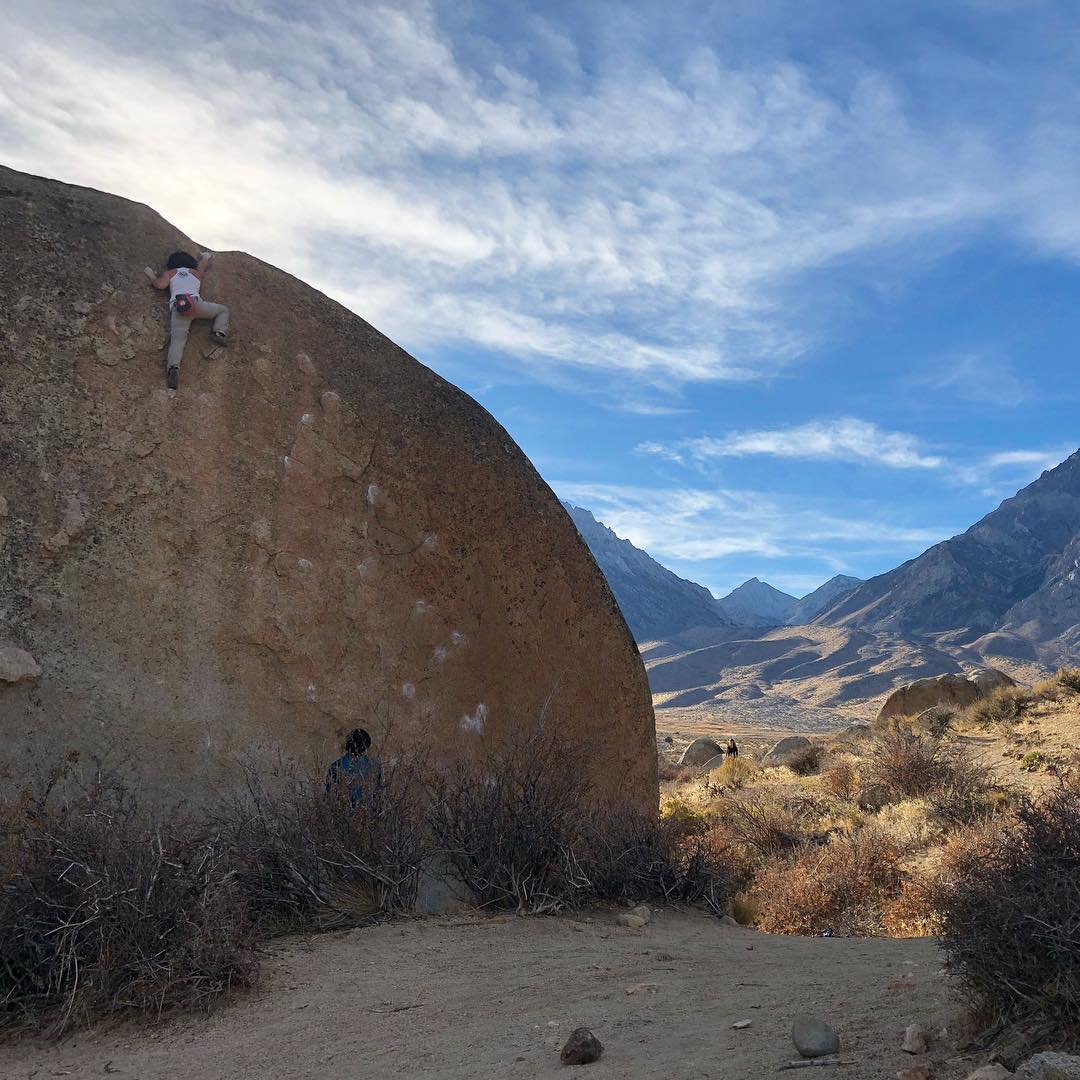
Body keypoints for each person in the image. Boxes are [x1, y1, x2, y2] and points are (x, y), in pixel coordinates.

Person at [145, 250, 229, 390]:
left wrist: (151, 275)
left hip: (180, 307)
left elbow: (160, 286)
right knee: (223, 310)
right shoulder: (195, 272)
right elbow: (203, 266)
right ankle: (218, 332)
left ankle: (173, 368)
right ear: (190, 262)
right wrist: (205, 257)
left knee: (178, 340)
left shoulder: (170, 273)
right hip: (196, 304)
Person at [326, 728, 383, 811]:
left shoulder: (336, 766)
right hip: (368, 816)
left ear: (348, 744)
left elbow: (329, 797)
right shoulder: (374, 766)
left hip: (343, 815)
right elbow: (377, 795)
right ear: (367, 746)